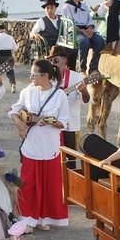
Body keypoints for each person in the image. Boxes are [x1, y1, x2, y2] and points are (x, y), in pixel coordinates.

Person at [9, 59, 70, 230]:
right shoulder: (28, 91)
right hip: (31, 144)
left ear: (45, 76)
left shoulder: (59, 96)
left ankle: (44, 219)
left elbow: (64, 122)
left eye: (34, 74)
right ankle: (27, 218)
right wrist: (20, 124)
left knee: (48, 184)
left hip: (50, 145)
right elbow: (13, 110)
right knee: (28, 183)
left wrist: (50, 122)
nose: (31, 78)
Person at [48, 45, 89, 149]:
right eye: (51, 60)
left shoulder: (76, 77)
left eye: (56, 59)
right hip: (49, 124)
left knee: (70, 159)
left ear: (65, 60)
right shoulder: (47, 77)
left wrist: (84, 91)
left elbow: (86, 100)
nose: (52, 63)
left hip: (70, 125)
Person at [61, 0, 106, 74]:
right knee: (84, 41)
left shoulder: (84, 6)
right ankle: (82, 69)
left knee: (99, 40)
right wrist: (83, 31)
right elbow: (70, 24)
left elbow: (89, 19)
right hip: (74, 32)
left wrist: (89, 28)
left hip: (87, 30)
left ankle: (93, 68)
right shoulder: (67, 7)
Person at [0, 23, 18, 93]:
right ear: (4, 30)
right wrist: (18, 46)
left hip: (0, 57)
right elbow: (15, 49)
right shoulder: (10, 37)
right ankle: (13, 84)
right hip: (9, 56)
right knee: (10, 71)